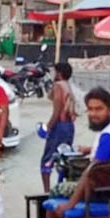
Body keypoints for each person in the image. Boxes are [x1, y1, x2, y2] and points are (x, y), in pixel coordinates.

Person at [23, 87, 110, 218]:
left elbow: (91, 172)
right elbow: (108, 152)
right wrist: (88, 149)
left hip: (100, 191)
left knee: (57, 189)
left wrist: (70, 204)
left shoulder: (108, 136)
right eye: (91, 109)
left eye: (99, 109)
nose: (94, 114)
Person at [41, 61, 77, 190]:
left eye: (54, 71)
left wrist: (47, 127)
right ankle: (64, 187)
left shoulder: (58, 86)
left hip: (60, 126)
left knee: (47, 160)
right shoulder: (68, 85)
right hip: (69, 126)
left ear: (59, 73)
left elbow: (56, 112)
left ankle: (46, 191)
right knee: (64, 158)